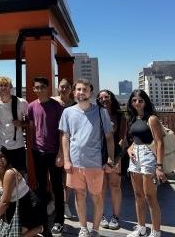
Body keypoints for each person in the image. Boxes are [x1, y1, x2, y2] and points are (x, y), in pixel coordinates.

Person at [59, 79, 115, 237]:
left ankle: (95, 229)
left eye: (85, 89)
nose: (81, 92)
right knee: (79, 195)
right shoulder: (67, 112)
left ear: (90, 93)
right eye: (78, 89)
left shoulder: (100, 111)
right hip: (75, 163)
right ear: (74, 92)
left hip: (95, 163)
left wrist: (110, 159)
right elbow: (65, 137)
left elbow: (109, 137)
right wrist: (67, 160)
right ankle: (83, 228)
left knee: (97, 196)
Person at [126, 89, 166, 237]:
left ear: (146, 102)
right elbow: (134, 140)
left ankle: (155, 231)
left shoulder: (152, 119)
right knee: (137, 195)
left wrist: (159, 167)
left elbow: (160, 142)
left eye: (140, 100)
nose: (137, 103)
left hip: (148, 156)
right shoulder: (134, 118)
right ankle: (141, 227)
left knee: (150, 196)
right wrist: (130, 149)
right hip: (135, 156)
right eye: (134, 100)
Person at [28, 77, 65, 236]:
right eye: (37, 87)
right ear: (34, 89)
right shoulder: (31, 106)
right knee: (41, 188)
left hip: (54, 152)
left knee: (57, 187)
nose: (40, 89)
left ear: (48, 88)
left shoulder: (57, 106)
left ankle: (59, 221)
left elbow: (63, 131)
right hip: (38, 152)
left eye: (43, 87)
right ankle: (42, 219)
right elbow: (30, 127)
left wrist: (61, 153)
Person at [0, 145, 46, 237]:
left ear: (7, 158)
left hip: (29, 206)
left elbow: (5, 202)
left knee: (14, 235)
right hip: (14, 204)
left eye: (2, 156)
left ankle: (38, 229)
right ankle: (6, 224)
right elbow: (0, 197)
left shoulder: (10, 173)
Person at [96, 89, 127, 230]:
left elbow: (122, 139)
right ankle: (101, 215)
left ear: (111, 98)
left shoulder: (120, 116)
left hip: (115, 155)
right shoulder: (95, 115)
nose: (104, 99)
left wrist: (117, 158)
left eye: (106, 97)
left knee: (115, 186)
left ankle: (115, 216)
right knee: (100, 188)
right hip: (98, 155)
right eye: (101, 97)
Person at [0, 76, 29, 175]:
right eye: (0, 85)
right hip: (1, 147)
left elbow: (28, 122)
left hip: (17, 145)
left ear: (10, 87)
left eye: (6, 85)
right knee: (1, 175)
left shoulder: (21, 102)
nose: (3, 88)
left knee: (19, 174)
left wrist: (21, 123)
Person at [52, 78, 76, 219]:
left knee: (68, 175)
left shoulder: (75, 105)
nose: (64, 89)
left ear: (71, 89)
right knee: (54, 176)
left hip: (70, 143)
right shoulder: (53, 101)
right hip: (53, 142)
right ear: (58, 88)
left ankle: (65, 203)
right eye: (62, 87)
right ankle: (56, 201)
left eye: (67, 87)